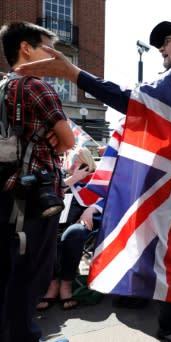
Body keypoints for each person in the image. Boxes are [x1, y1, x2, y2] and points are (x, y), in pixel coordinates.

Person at [17, 21, 171, 342]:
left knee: (162, 253)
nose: (162, 50)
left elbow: (131, 101)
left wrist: (74, 73)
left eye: (166, 42)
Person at [0, 22, 75, 342]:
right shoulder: (36, 86)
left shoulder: (3, 86)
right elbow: (68, 140)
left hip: (6, 191)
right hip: (36, 196)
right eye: (47, 47)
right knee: (32, 273)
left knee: (8, 271)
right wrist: (55, 140)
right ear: (25, 49)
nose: (54, 55)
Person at [36, 147, 97, 311]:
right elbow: (50, 196)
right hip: (55, 224)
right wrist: (73, 179)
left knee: (73, 233)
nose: (69, 162)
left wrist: (92, 210)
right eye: (68, 158)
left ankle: (66, 285)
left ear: (85, 162)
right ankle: (53, 283)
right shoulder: (60, 178)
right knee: (48, 233)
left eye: (75, 159)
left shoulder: (94, 181)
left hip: (80, 225)